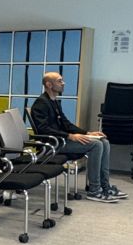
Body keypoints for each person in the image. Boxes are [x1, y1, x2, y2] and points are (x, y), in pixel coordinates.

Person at [31, 72, 126, 203]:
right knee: (96, 145)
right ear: (49, 84)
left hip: (61, 140)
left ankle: (105, 186)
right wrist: (69, 136)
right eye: (59, 81)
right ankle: (94, 190)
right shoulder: (41, 103)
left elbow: (66, 124)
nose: (63, 83)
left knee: (104, 141)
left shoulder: (54, 102)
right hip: (53, 144)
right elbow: (44, 129)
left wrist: (87, 133)